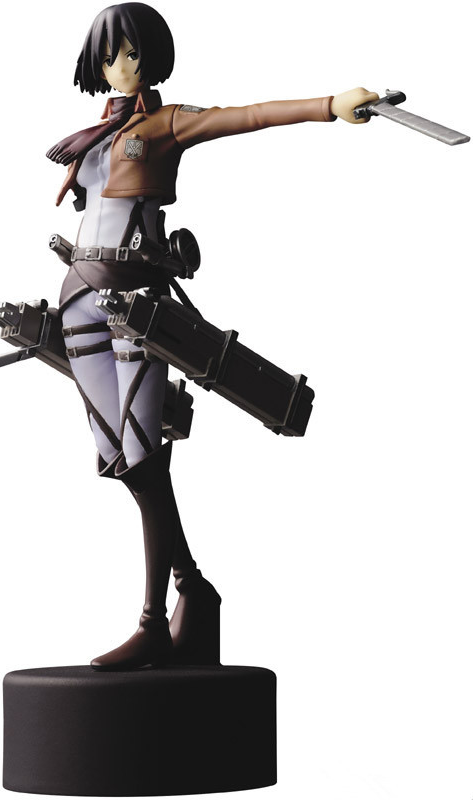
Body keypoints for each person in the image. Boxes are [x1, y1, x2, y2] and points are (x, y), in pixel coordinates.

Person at [47, 2, 378, 670]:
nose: (121, 66)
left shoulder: (166, 122)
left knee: (142, 453)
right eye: (110, 56)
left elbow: (247, 116)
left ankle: (155, 618)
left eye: (131, 54)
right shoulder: (95, 136)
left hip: (132, 300)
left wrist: (329, 105)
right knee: (122, 458)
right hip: (78, 294)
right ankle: (193, 588)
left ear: (150, 57)